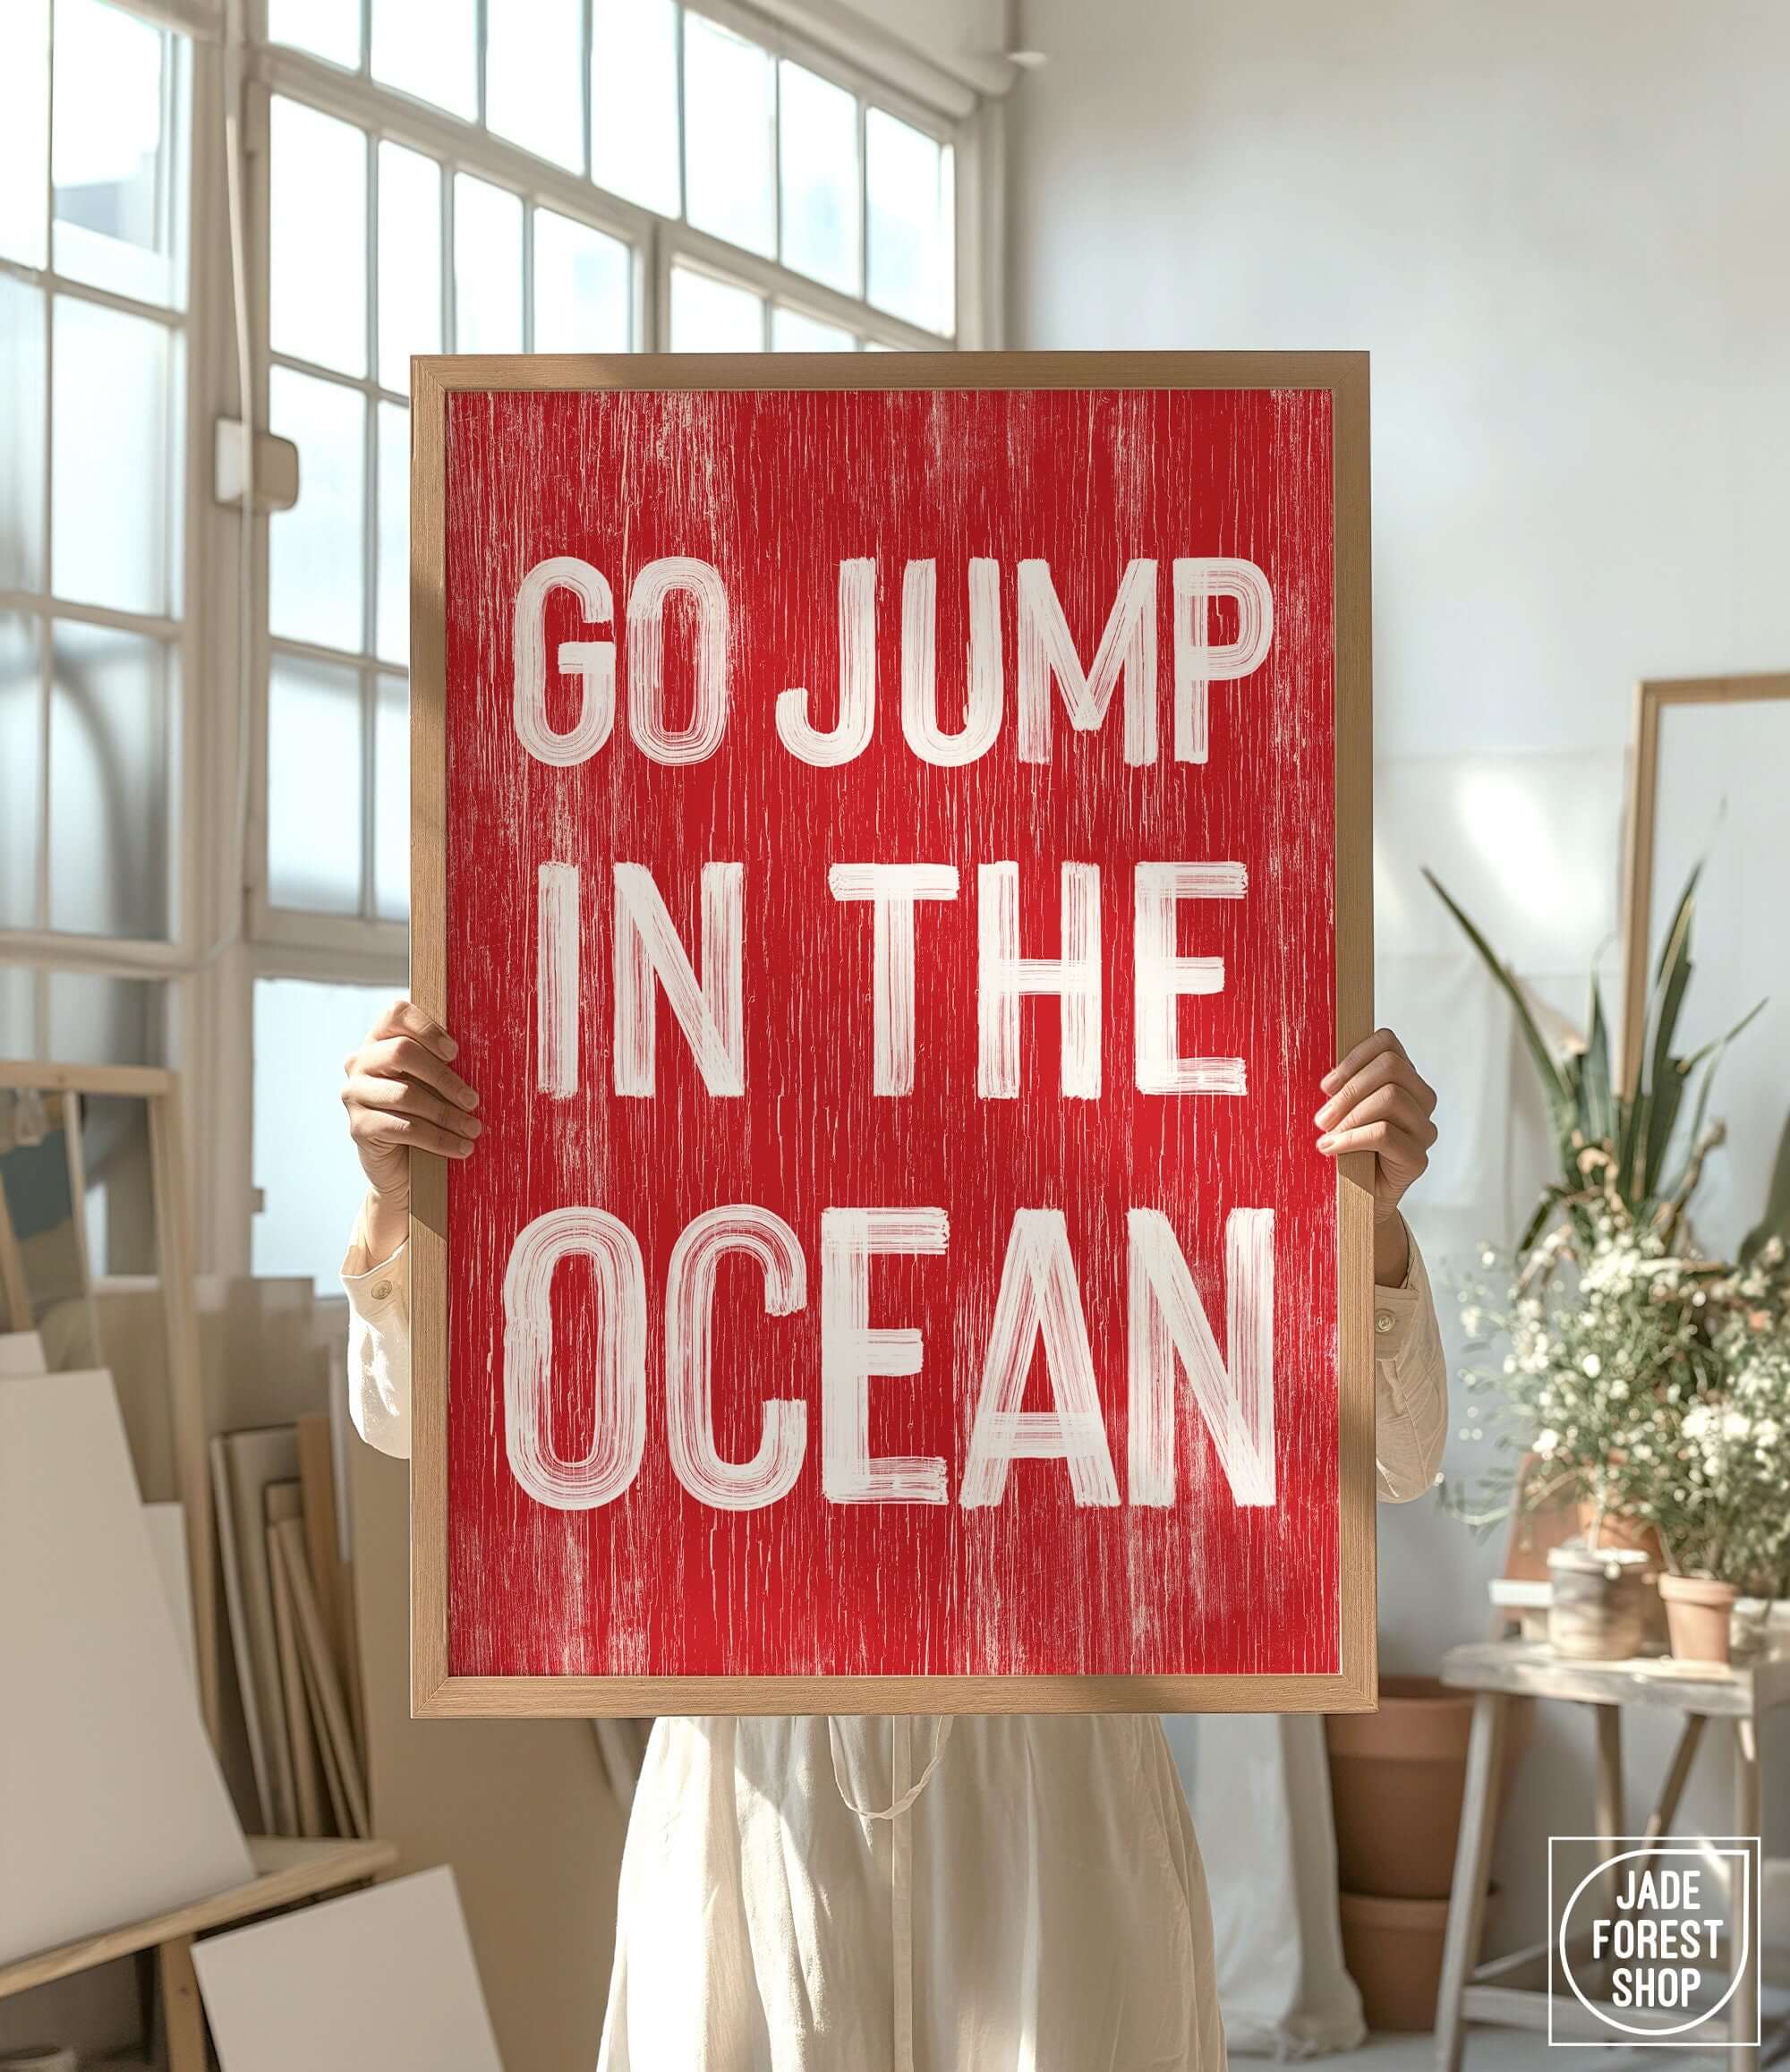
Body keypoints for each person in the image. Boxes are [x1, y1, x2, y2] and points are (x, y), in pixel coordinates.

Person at [339, 1006, 1445, 2072]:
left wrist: (1368, 1224)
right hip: (758, 1775)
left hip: (1057, 1767)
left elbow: (1392, 1451)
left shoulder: (1121, 1088)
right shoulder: (687, 1084)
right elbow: (412, 1424)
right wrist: (405, 1205)